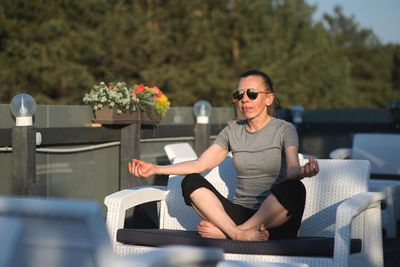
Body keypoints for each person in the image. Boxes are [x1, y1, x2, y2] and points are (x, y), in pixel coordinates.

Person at [129, 69, 319, 241]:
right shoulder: (232, 131)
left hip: (276, 221)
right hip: (240, 214)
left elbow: (293, 169)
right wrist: (155, 169)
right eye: (239, 95)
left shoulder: (285, 129)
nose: (244, 99)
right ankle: (238, 234)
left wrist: (303, 171)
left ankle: (229, 233)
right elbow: (200, 165)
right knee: (191, 181)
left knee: (294, 188)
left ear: (268, 99)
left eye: (252, 94)